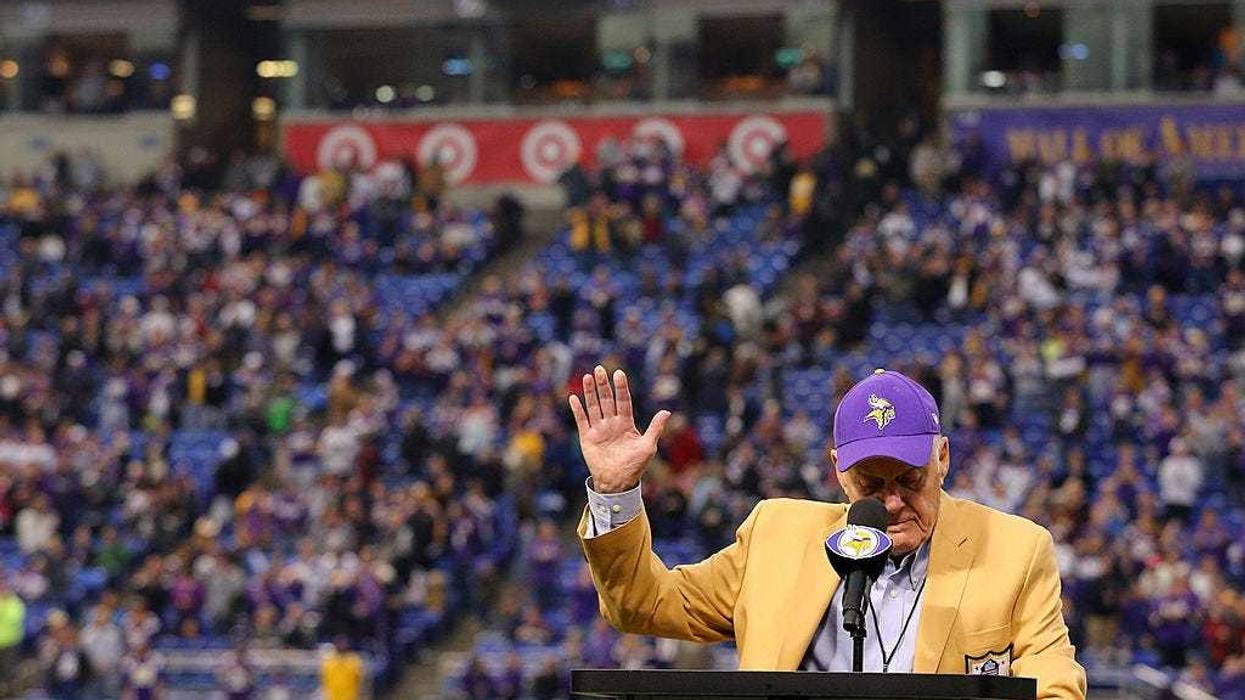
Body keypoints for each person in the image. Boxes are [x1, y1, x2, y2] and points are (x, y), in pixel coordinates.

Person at [569, 366, 1086, 700]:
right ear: (838, 470)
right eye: (870, 484)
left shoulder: (1016, 550)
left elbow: (1056, 684)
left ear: (943, 457)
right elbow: (640, 605)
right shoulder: (776, 535)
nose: (891, 502)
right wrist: (616, 493)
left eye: (910, 480)